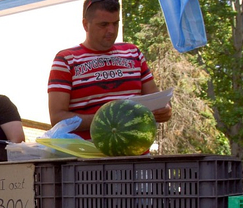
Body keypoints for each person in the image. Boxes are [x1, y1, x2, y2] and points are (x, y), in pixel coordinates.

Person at [47, 0, 172, 139]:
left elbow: (156, 98)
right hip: (88, 155)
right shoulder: (66, 60)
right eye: (104, 25)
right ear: (85, 24)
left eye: (115, 23)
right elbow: (57, 118)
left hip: (137, 154)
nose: (111, 31)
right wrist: (110, 120)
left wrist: (165, 109)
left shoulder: (133, 53)